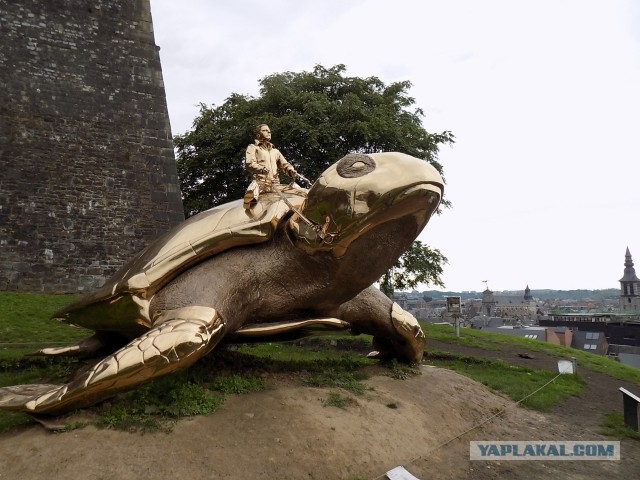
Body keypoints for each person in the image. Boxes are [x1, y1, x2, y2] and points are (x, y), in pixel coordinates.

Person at [243, 124, 296, 209]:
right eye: (265, 130)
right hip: (261, 185)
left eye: (269, 130)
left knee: (300, 192)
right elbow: (249, 164)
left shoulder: (275, 151)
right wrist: (262, 169)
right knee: (250, 201)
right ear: (258, 135)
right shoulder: (253, 147)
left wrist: (290, 171)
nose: (269, 132)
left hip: (276, 185)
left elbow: (285, 165)